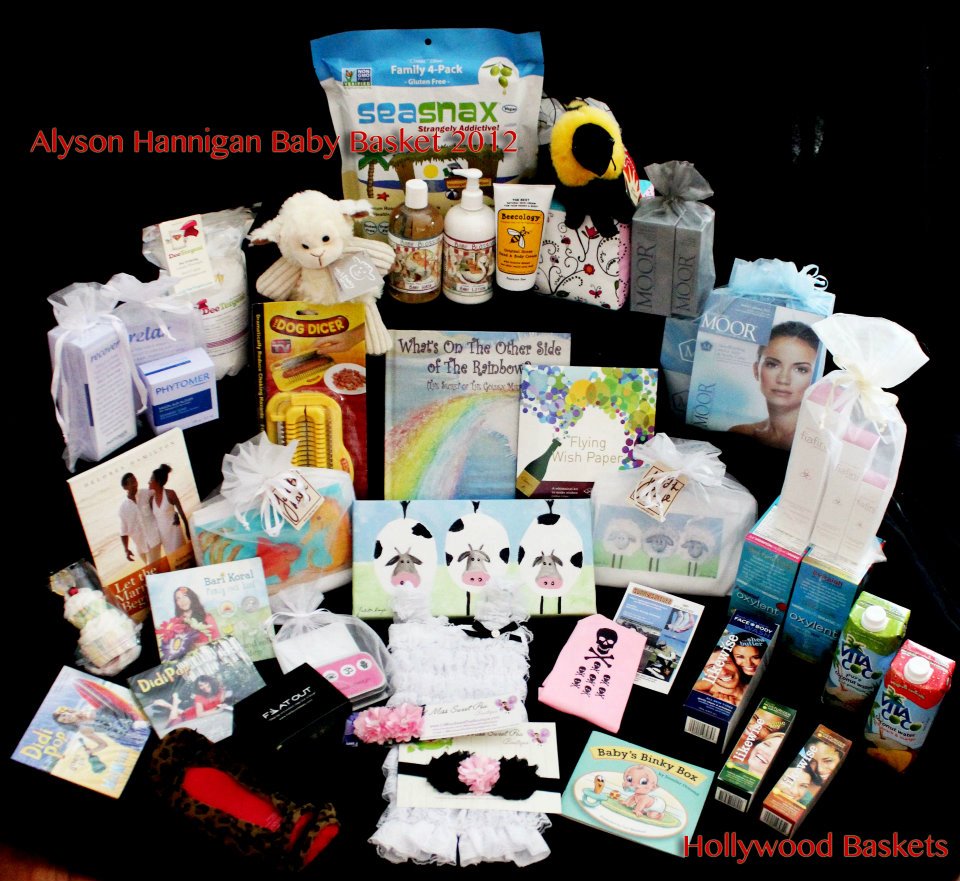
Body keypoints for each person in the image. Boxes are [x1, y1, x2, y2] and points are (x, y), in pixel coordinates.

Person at [729, 321, 820, 450]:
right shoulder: (740, 433)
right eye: (772, 364)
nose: (783, 379)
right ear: (756, 370)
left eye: (801, 369)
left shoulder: (818, 443)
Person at [157, 586, 220, 660]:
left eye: (185, 596)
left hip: (209, 657)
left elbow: (217, 640)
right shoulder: (176, 623)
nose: (182, 601)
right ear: (176, 603)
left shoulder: (206, 617)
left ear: (191, 597)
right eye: (178, 599)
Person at [118, 473, 162, 564]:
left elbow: (162, 492)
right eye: (132, 482)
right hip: (140, 547)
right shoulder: (123, 508)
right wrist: (126, 549)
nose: (135, 484)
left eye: (135, 481)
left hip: (154, 540)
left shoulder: (146, 493)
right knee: (152, 569)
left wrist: (172, 513)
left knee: (153, 568)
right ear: (125, 487)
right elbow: (123, 531)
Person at [149, 464, 190, 555]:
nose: (149, 482)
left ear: (158, 482)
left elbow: (182, 513)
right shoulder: (151, 500)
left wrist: (187, 529)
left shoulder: (170, 494)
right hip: (164, 537)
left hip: (175, 532)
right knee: (172, 560)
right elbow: (153, 520)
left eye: (151, 479)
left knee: (183, 557)